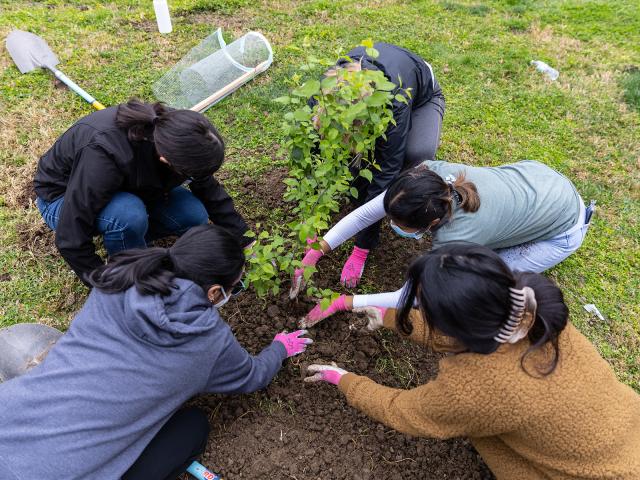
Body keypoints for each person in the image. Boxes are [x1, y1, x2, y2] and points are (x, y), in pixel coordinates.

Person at [304, 243, 640, 480]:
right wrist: (390, 317)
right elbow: (471, 332)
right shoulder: (534, 311)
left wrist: (344, 379)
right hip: (628, 429)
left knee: (481, 432)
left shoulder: (476, 391)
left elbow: (402, 410)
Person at [0, 225, 311, 480]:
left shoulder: (118, 278)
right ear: (215, 292)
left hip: (12, 418)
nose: (233, 292)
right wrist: (280, 348)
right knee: (192, 427)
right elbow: (252, 376)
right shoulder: (208, 340)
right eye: (235, 286)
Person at [293, 159, 594, 325]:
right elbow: (364, 215)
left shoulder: (455, 239)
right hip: (542, 181)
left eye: (397, 224)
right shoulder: (428, 176)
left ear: (432, 224)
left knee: (484, 281)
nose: (389, 224)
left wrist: (345, 302)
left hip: (562, 227)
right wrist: (317, 251)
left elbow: (417, 296)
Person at [34, 99, 251, 285]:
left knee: (193, 213)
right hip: (61, 198)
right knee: (128, 215)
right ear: (166, 160)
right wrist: (105, 284)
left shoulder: (178, 135)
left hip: (128, 188)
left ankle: (130, 235)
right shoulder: (104, 152)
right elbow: (70, 235)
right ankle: (131, 272)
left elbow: (207, 187)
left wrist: (244, 240)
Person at [307, 42, 445, 288]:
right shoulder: (324, 94)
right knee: (354, 167)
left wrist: (362, 247)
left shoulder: (395, 103)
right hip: (381, 89)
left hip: (420, 95)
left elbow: (386, 173)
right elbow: (314, 150)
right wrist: (313, 216)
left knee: (415, 155)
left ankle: (404, 194)